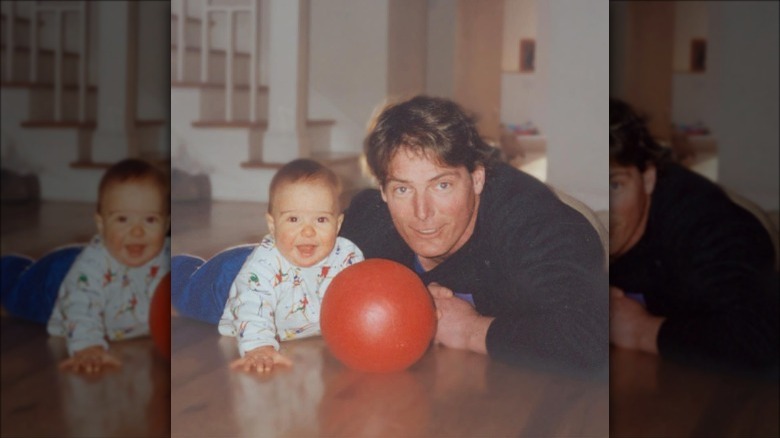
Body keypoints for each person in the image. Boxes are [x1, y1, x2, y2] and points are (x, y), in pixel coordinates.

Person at [339, 95, 607, 372]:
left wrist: (470, 330)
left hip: (570, 227)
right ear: (383, 190)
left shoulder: (533, 225)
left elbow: (594, 335)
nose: (422, 212)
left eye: (441, 185)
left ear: (476, 178)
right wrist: (408, 297)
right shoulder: (369, 219)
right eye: (403, 189)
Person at [608, 98, 778, 372]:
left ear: (648, 178)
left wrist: (640, 331)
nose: (601, 208)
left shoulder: (708, 228)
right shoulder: (571, 213)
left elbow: (762, 338)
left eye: (614, 185)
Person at [218, 159, 363, 373]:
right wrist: (259, 346)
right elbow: (252, 303)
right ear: (272, 225)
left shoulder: (347, 256)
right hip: (233, 297)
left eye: (321, 220)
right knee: (193, 289)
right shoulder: (264, 265)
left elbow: (360, 297)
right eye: (294, 219)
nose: (308, 231)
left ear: (338, 224)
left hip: (295, 327)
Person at [41, 158, 171, 374]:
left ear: (166, 224)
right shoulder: (90, 268)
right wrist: (87, 345)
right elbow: (80, 307)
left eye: (150, 220)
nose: (137, 232)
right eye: (122, 219)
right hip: (56, 287)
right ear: (101, 224)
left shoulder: (167, 256)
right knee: (21, 287)